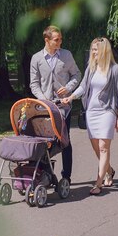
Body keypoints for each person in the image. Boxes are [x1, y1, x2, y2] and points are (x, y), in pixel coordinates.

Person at [62, 37, 118, 196]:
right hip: (91, 112)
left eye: (96, 50)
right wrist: (70, 97)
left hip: (107, 112)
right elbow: (83, 87)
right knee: (97, 149)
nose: (93, 52)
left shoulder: (115, 69)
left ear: (104, 51)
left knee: (104, 148)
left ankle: (98, 183)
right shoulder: (91, 68)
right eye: (92, 50)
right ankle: (109, 171)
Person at [29, 25, 81, 183]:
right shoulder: (36, 58)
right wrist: (43, 99)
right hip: (44, 108)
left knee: (64, 140)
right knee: (44, 141)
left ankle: (66, 176)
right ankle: (46, 174)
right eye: (57, 39)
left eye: (60, 39)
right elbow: (34, 84)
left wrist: (69, 87)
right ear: (47, 40)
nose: (60, 42)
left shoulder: (66, 55)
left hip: (63, 106)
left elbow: (77, 74)